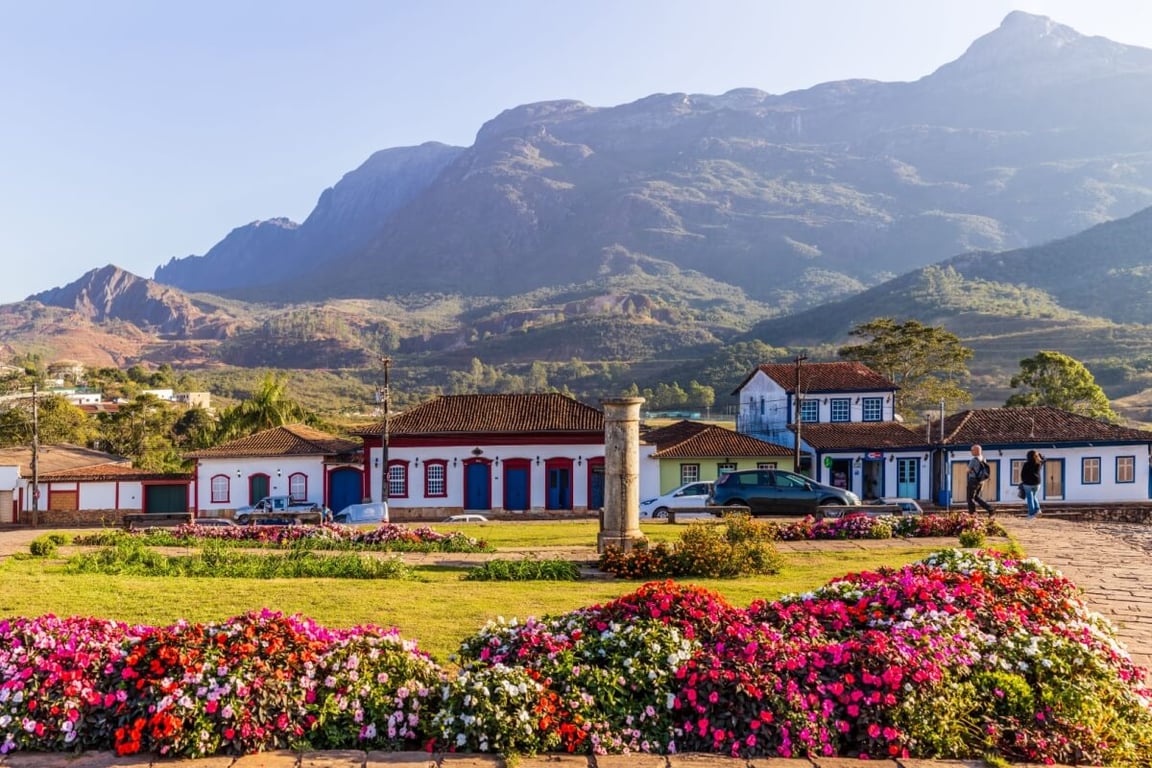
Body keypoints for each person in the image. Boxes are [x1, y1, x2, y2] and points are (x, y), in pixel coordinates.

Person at [966, 444, 995, 517]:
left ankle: (972, 514)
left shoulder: (973, 460)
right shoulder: (983, 459)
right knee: (976, 497)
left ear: (976, 451)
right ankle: (990, 509)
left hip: (973, 481)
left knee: (970, 498)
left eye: (972, 450)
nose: (971, 451)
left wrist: (969, 470)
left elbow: (967, 470)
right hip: (981, 481)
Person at [1020, 449, 1045, 519]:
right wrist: (1039, 455)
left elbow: (1022, 474)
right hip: (1037, 483)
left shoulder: (1026, 464)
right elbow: (1044, 459)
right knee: (1034, 496)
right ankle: (1038, 510)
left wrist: (1023, 481)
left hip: (1028, 484)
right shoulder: (1039, 463)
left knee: (1030, 498)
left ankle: (1031, 514)